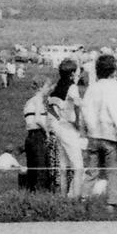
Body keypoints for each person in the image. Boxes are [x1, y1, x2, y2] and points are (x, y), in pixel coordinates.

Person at [79, 52, 117, 205]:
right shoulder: (115, 88)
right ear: (114, 70)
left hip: (93, 135)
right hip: (111, 136)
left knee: (91, 171)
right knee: (113, 172)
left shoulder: (92, 88)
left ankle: (84, 199)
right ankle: (112, 203)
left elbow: (84, 111)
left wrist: (83, 133)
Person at [33, 59, 86, 198]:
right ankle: (76, 197)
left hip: (57, 127)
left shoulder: (56, 88)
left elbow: (49, 107)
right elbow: (78, 104)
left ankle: (62, 196)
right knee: (78, 166)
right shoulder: (72, 87)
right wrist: (77, 124)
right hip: (68, 128)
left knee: (63, 165)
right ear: (73, 73)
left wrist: (57, 119)